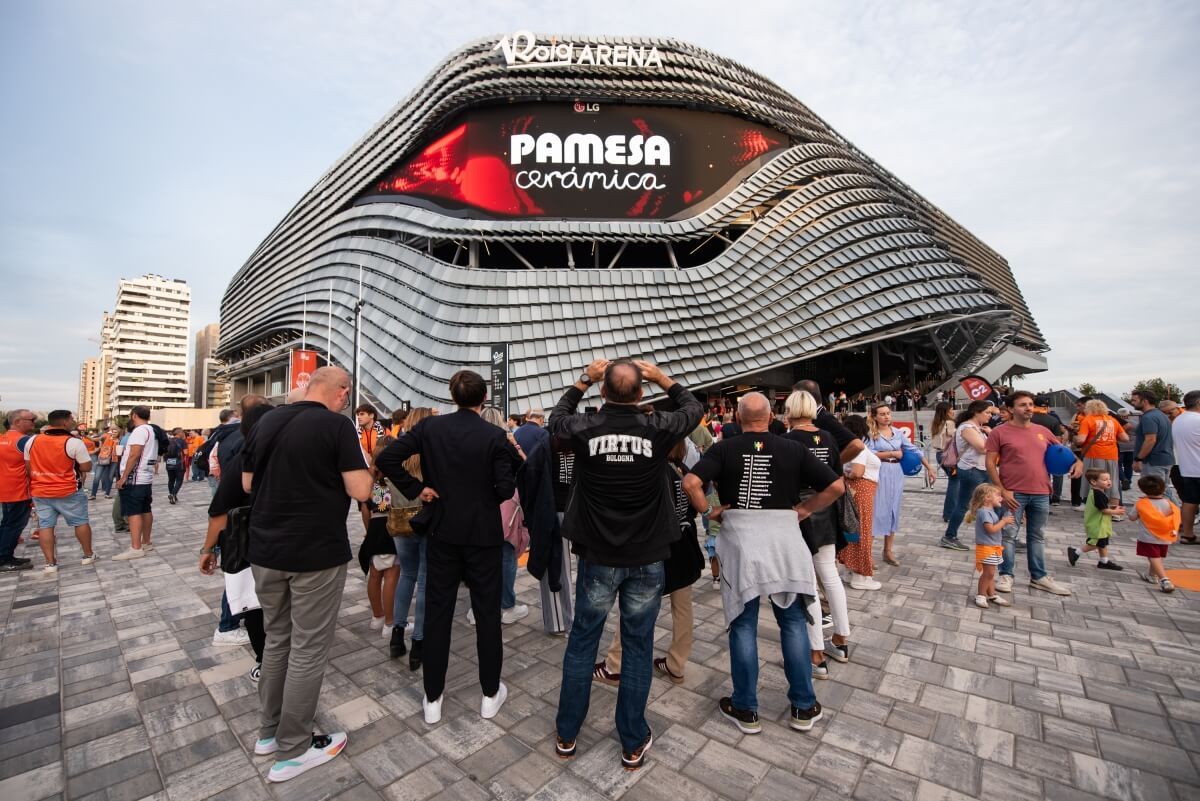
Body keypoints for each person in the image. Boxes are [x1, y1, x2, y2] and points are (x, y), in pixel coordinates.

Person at [548, 358, 702, 770]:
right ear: (640, 394)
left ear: (603, 393)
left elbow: (556, 419)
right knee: (637, 646)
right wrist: (661, 377)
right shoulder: (657, 428)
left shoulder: (585, 428)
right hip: (647, 556)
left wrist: (583, 378)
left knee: (583, 643)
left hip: (599, 556)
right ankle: (632, 739)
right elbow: (693, 409)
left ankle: (567, 732)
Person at [683, 392, 842, 736]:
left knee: (743, 625)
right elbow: (836, 486)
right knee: (793, 622)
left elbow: (691, 482)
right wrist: (805, 509)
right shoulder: (793, 447)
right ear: (771, 418)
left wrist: (707, 511)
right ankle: (803, 704)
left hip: (741, 537)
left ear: (738, 418)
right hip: (785, 538)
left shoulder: (724, 448)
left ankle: (745, 707)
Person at [241, 367, 372, 782]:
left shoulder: (266, 421)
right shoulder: (336, 427)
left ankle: (268, 732)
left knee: (278, 639)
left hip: (265, 550)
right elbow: (362, 491)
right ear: (341, 392)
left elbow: (246, 483)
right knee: (309, 648)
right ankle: (294, 747)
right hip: (314, 552)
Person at [376, 370, 516, 727]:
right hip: (482, 534)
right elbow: (504, 489)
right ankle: (488, 694)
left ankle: (433, 698)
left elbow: (387, 459)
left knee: (438, 613)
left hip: (441, 531)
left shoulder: (429, 429)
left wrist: (417, 487)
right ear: (483, 399)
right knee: (487, 615)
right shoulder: (495, 435)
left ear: (453, 397)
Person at [595, 440, 703, 687]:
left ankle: (616, 663)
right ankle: (677, 664)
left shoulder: (651, 473)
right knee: (683, 608)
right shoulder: (684, 471)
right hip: (684, 546)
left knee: (636, 605)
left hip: (656, 549)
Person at [199, 403, 276, 683]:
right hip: (278, 548)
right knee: (267, 607)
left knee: (255, 605)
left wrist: (208, 550)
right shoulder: (286, 455)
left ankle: (266, 661)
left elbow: (219, 511)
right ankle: (269, 660)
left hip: (251, 547)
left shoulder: (248, 456)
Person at [783, 390, 851, 677]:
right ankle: (841, 639)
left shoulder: (788, 440)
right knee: (830, 576)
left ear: (789, 410)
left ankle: (815, 653)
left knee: (807, 582)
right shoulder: (828, 437)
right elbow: (837, 476)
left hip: (802, 510)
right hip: (828, 509)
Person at [987, 391, 1081, 596]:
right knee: (1009, 535)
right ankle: (1006, 575)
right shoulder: (1000, 432)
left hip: (1040, 491)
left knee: (1037, 536)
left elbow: (1063, 451)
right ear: (1011, 409)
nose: (1029, 408)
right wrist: (1002, 489)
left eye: (1030, 404)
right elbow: (990, 463)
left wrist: (1078, 462)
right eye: (1022, 405)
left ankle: (1039, 577)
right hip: (1013, 493)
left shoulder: (1042, 431)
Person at [473, 406, 529, 626]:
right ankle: (506, 605)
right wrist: (513, 442)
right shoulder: (504, 443)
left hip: (476, 504)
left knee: (479, 556)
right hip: (504, 503)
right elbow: (524, 466)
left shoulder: (472, 442)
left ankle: (478, 606)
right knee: (506, 553)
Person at [387, 406, 433, 667]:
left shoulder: (396, 453)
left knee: (406, 575)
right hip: (425, 521)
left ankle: (396, 635)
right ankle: (418, 641)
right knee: (425, 580)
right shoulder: (431, 455)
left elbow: (382, 490)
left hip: (399, 519)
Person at [24, 410, 97, 572]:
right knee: (80, 522)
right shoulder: (73, 442)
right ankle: (87, 555)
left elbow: (28, 467)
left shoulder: (32, 440)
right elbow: (86, 466)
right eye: (71, 419)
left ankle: (50, 563)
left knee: (45, 526)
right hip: (68, 491)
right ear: (64, 422)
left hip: (41, 491)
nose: (73, 422)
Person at [865, 403, 935, 566]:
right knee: (877, 511)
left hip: (896, 472)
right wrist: (890, 453)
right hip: (880, 472)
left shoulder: (897, 433)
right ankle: (867, 553)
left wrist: (929, 467)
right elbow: (867, 453)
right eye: (882, 414)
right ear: (875, 416)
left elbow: (914, 450)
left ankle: (888, 551)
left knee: (893, 510)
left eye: (888, 413)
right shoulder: (870, 434)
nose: (886, 416)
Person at [360, 438, 401, 640]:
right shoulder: (389, 480)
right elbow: (386, 507)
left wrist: (368, 531)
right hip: (389, 529)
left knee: (375, 575)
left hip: (374, 530)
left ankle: (377, 616)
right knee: (391, 576)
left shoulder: (371, 478)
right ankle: (389, 623)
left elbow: (365, 510)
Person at [837, 414, 881, 590]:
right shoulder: (859, 448)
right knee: (862, 531)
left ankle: (850, 569)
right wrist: (848, 475)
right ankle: (860, 575)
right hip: (862, 490)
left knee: (853, 530)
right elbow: (857, 471)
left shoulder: (849, 447)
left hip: (857, 490)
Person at [942, 401, 995, 548]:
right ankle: (950, 536)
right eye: (987, 412)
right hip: (972, 470)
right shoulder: (967, 427)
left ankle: (999, 534)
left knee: (994, 502)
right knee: (963, 504)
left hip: (983, 469)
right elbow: (983, 448)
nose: (990, 416)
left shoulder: (978, 428)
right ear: (977, 412)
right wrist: (992, 435)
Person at [112, 406, 158, 560]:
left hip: (135, 478)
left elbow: (134, 453)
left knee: (134, 512)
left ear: (134, 416)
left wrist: (124, 476)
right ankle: (146, 542)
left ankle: (136, 547)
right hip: (145, 476)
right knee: (145, 508)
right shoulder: (151, 430)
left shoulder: (139, 431)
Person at [1128, 474, 1180, 592]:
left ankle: (1164, 579)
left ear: (1143, 489)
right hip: (1165, 536)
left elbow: (1132, 517)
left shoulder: (1141, 503)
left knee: (1153, 557)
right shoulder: (1169, 504)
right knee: (1157, 556)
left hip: (1148, 536)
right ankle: (1152, 575)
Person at [1066, 469, 1125, 571]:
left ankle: (1104, 561)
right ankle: (1076, 552)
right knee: (1095, 544)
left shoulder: (1097, 492)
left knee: (1102, 543)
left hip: (1100, 524)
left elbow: (1102, 507)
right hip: (1097, 525)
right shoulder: (1098, 494)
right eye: (1105, 479)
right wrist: (1116, 512)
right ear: (1094, 482)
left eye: (1109, 479)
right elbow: (1104, 510)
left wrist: (1112, 508)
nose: (1109, 481)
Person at [0, 410, 38, 571]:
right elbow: (34, 465)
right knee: (15, 525)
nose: (34, 423)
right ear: (17, 422)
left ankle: (6, 556)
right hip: (19, 489)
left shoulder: (2, 438)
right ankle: (4, 559)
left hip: (5, 488)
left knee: (6, 524)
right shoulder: (24, 441)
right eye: (31, 420)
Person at [966, 483, 1013, 609]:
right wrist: (1003, 522)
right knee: (989, 573)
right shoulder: (984, 512)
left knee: (991, 573)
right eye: (997, 495)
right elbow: (990, 529)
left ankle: (991, 594)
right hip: (986, 547)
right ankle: (981, 595)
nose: (1001, 498)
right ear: (987, 497)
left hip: (992, 547)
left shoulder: (990, 511)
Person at [1131, 390, 1180, 506]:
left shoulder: (1149, 417)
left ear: (1145, 401)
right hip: (1165, 458)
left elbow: (1150, 440)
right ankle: (1177, 516)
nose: (1132, 402)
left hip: (1153, 460)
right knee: (1164, 490)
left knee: (1157, 491)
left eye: (1135, 400)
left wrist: (1139, 459)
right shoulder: (1162, 416)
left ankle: (1176, 516)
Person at [1075, 400, 1129, 503]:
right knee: (1111, 482)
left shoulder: (1088, 420)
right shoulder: (1112, 420)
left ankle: (1098, 509)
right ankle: (1115, 510)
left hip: (1093, 455)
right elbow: (1125, 438)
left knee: (1094, 482)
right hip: (1112, 455)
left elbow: (1081, 440)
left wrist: (1075, 438)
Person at [1175, 391, 1200, 544]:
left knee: (1189, 501)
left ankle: (1187, 534)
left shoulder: (1179, 420)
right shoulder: (1197, 420)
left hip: (1187, 467)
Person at [930, 401, 958, 523]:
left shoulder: (936, 423)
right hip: (949, 456)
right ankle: (950, 513)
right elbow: (956, 436)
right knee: (954, 483)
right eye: (951, 409)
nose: (953, 411)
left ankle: (951, 512)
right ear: (946, 411)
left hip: (939, 455)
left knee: (955, 482)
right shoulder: (949, 423)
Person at [89, 427, 119, 499]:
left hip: (113, 460)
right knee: (97, 477)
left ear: (118, 434)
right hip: (103, 458)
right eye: (113, 431)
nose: (114, 433)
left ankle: (107, 493)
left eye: (116, 432)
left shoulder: (119, 440)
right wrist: (86, 436)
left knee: (110, 477)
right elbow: (95, 439)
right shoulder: (106, 436)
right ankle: (93, 494)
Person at [164, 428, 187, 504]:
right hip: (179, 463)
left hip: (169, 463)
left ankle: (172, 494)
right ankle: (173, 494)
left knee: (171, 480)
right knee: (179, 480)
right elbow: (186, 452)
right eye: (182, 432)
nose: (183, 433)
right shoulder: (182, 441)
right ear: (179, 433)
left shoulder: (168, 441)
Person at [1116, 409, 1136, 492]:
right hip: (1131, 447)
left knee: (1118, 465)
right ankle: (1129, 480)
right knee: (1128, 465)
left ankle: (1123, 479)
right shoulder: (1134, 423)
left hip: (1120, 446)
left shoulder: (1117, 422)